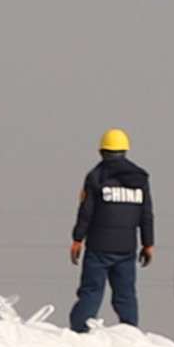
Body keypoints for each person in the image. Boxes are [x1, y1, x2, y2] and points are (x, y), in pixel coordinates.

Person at [66, 125, 155, 333]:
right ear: (125, 150)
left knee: (91, 291)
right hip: (126, 248)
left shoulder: (96, 176)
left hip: (99, 247)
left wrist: (77, 239)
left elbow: (86, 212)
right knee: (126, 294)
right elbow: (146, 214)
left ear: (102, 151)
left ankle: (79, 331)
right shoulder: (140, 179)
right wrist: (148, 244)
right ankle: (131, 331)